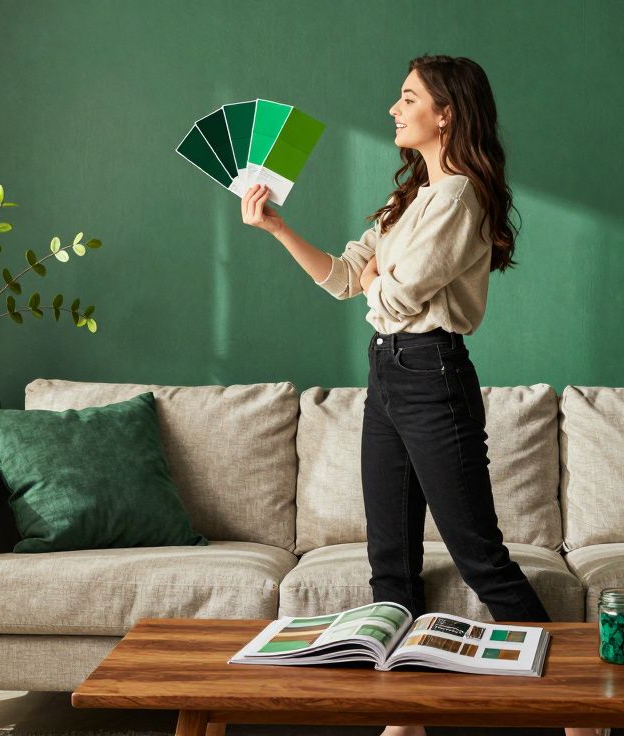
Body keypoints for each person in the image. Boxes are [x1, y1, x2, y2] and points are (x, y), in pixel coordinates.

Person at [243, 54, 605, 736]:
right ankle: (404, 718)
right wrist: (278, 228)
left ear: (446, 114)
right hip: (386, 374)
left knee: (479, 556)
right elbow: (348, 279)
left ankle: (582, 707)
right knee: (391, 561)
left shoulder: (459, 198)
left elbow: (397, 296)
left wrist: (379, 279)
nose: (393, 108)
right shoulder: (409, 200)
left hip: (433, 375)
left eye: (407, 97)